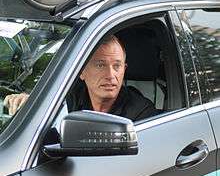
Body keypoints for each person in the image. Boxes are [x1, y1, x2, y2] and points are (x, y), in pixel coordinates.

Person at [4, 35, 157, 121]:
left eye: (117, 66)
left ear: (124, 69)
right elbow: (49, 102)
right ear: (82, 72)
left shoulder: (141, 113)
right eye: (100, 65)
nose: (111, 75)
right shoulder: (73, 96)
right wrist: (28, 101)